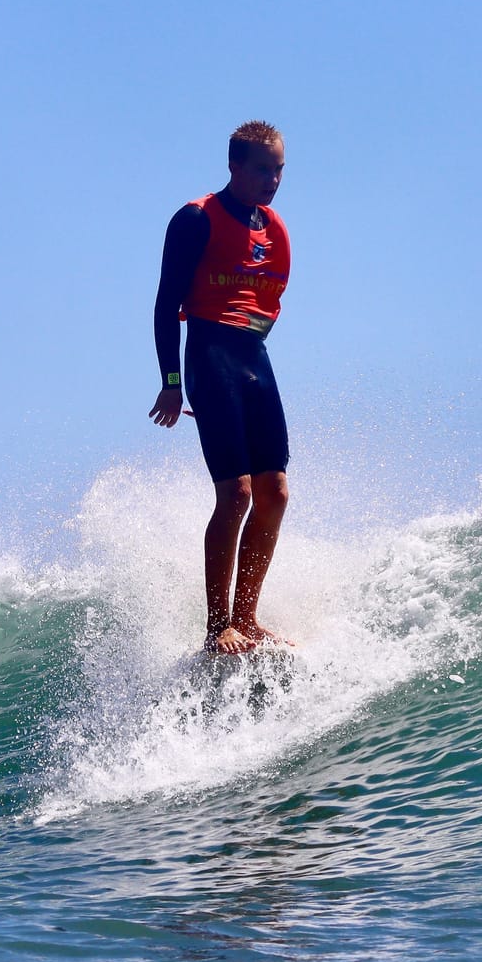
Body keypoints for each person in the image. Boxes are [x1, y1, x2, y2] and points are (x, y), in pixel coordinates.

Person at [149, 120, 292, 656]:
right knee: (236, 494)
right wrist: (172, 383)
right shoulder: (195, 220)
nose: (272, 179)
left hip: (254, 359)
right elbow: (166, 305)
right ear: (234, 166)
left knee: (274, 491)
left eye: (279, 170)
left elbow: (266, 309)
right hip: (208, 355)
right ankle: (217, 628)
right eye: (262, 169)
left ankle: (248, 618)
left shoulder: (274, 229)